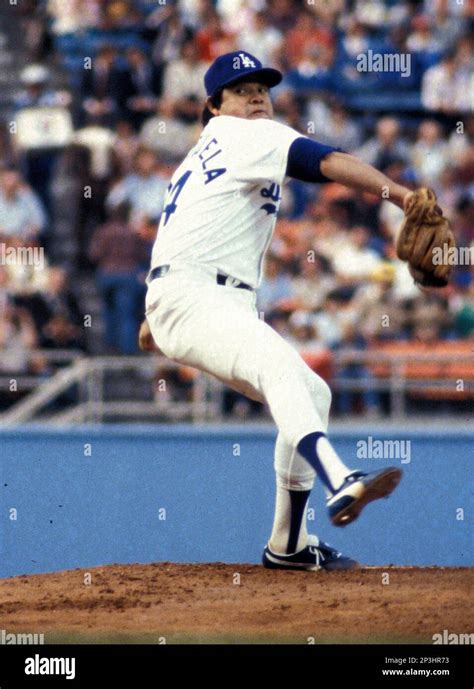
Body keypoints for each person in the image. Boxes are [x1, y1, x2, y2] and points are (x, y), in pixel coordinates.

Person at [139, 51, 417, 571]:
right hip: (200, 298)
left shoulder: (197, 156)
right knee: (280, 368)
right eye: (242, 89)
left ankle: (287, 545)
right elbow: (326, 161)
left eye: (262, 87)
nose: (257, 96)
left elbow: (184, 235)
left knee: (313, 391)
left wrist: (155, 317)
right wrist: (401, 196)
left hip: (197, 299)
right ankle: (341, 479)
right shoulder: (243, 133)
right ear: (214, 106)